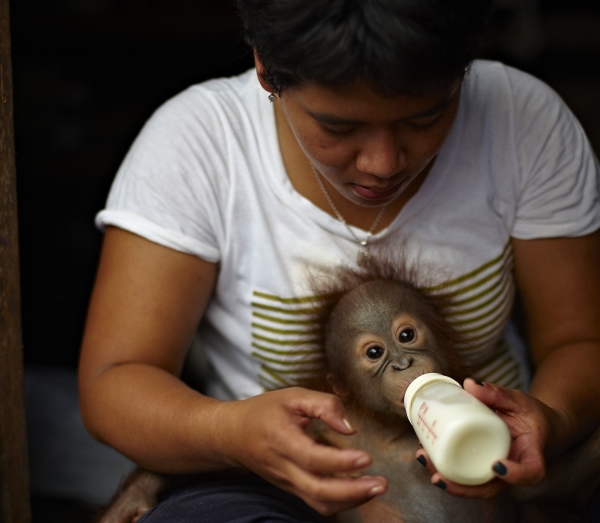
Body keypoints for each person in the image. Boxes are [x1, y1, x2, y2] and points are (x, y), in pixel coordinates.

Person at [78, 0, 600, 521]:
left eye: (426, 116)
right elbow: (117, 379)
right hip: (279, 481)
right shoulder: (198, 144)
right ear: (266, 70)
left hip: (501, 474)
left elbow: (579, 340)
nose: (383, 163)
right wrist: (229, 434)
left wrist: (550, 421)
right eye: (341, 127)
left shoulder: (520, 118)